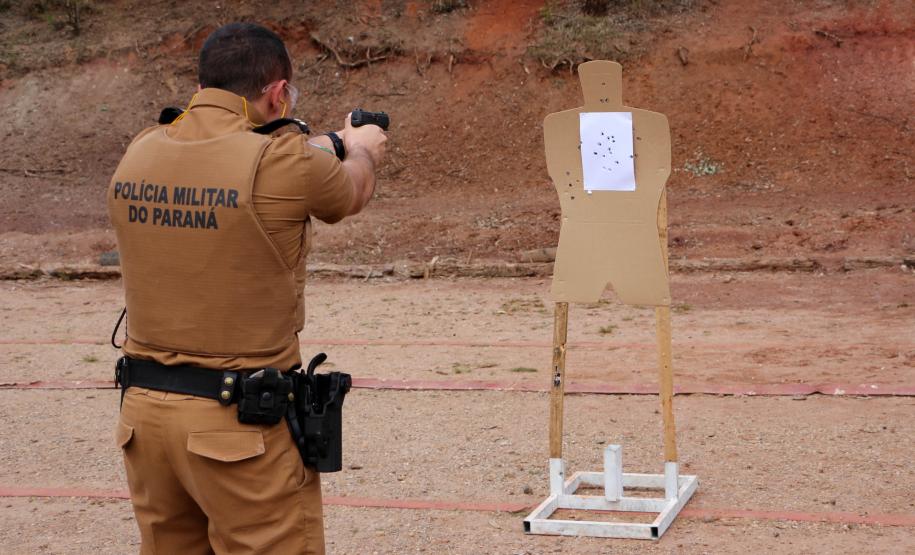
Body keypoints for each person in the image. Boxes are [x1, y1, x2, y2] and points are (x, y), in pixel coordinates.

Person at [107, 22, 386, 554]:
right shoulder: (285, 162)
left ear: (201, 87)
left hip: (144, 418)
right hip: (237, 428)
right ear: (279, 92)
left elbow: (235, 159)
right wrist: (362, 146)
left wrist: (319, 142)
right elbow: (350, 189)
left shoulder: (141, 151)